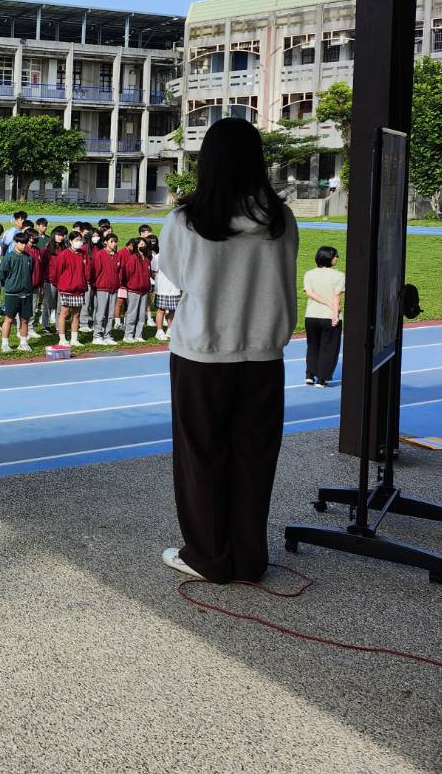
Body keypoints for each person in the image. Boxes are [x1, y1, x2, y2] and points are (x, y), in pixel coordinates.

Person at [161, 117, 298, 584]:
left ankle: (208, 556)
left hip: (201, 354)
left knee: (201, 457)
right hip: (262, 356)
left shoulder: (185, 220)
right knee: (254, 458)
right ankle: (248, 558)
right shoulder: (280, 219)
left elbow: (177, 277)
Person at [302, 245, 345, 387]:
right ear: (330, 258)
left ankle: (309, 375)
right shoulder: (339, 276)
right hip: (329, 316)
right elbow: (336, 296)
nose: (337, 258)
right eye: (336, 255)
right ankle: (322, 378)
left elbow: (309, 292)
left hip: (311, 316)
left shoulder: (309, 274)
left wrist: (325, 303)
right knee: (329, 348)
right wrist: (334, 313)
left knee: (313, 346)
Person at [0, 230, 36, 352]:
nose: (24, 245)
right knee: (9, 318)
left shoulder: (29, 258)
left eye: (25, 243)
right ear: (16, 243)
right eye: (21, 243)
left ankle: (23, 343)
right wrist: (9, 285)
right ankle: (5, 344)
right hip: (12, 293)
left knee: (25, 319)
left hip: (27, 293)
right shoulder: (8, 257)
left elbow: (31, 271)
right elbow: (2, 274)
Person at [50, 228, 89, 348]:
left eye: (80, 240)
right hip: (66, 288)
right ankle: (62, 338)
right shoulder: (64, 254)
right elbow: (57, 272)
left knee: (76, 314)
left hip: (79, 288)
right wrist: (61, 284)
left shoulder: (83, 254)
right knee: (64, 313)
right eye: (77, 240)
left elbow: (86, 270)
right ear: (71, 241)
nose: (79, 242)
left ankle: (74, 338)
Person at [88, 232, 123, 345]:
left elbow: (118, 272)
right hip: (102, 288)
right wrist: (96, 284)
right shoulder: (100, 254)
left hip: (114, 288)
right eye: (111, 241)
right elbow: (95, 271)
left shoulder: (117, 256)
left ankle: (107, 335)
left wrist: (117, 283)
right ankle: (97, 335)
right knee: (101, 313)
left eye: (115, 241)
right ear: (105, 242)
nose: (114, 244)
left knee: (110, 314)